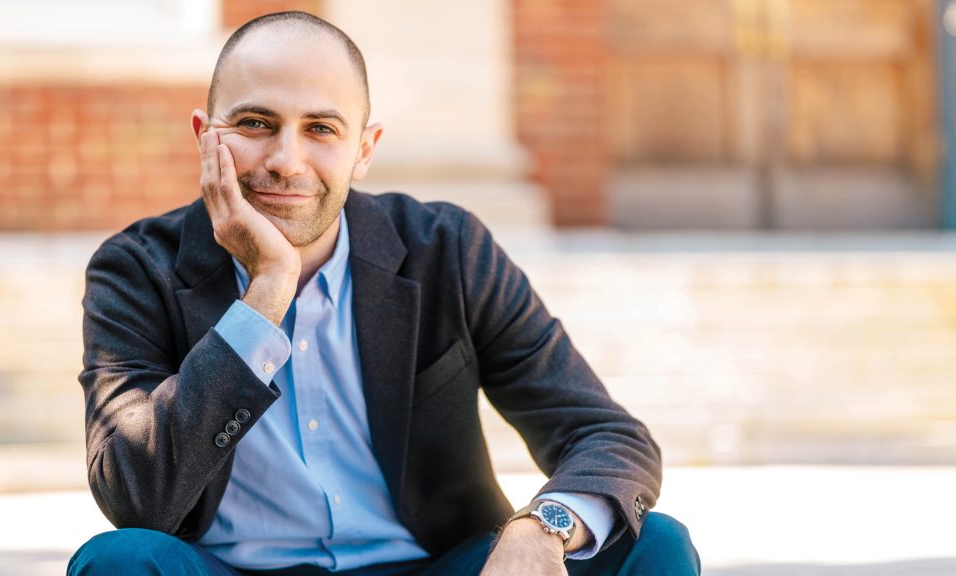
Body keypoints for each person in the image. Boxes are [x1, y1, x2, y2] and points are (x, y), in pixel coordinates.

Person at [69, 11, 699, 576]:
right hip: (229, 571)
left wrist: (542, 528)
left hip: (433, 568)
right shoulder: (137, 269)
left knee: (652, 543)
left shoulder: (447, 249)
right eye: (256, 123)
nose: (286, 159)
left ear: (364, 150)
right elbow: (135, 496)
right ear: (205, 135)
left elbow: (608, 436)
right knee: (118, 562)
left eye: (321, 128)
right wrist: (266, 292)